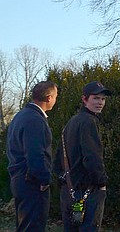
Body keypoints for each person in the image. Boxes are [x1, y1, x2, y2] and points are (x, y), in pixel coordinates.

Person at [54, 81, 113, 232]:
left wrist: (62, 179)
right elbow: (92, 157)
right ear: (84, 99)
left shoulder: (71, 122)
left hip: (68, 189)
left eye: (103, 99)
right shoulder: (89, 122)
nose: (100, 102)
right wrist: (101, 183)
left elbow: (58, 158)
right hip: (87, 190)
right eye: (96, 98)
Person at [6, 80, 59, 232]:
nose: (55, 100)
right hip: (31, 182)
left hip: (20, 179)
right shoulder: (35, 119)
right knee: (33, 226)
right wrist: (43, 179)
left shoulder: (20, 116)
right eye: (55, 96)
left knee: (24, 225)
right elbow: (35, 152)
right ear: (49, 98)